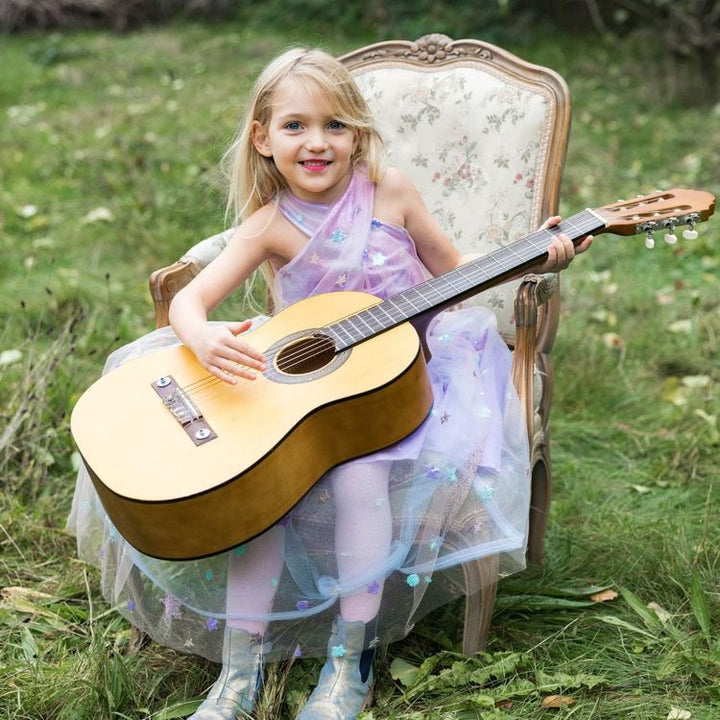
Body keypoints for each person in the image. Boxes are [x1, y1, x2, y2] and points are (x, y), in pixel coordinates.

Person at [68, 47, 591, 720]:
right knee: (257, 488)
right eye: (295, 126)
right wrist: (199, 337)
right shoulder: (269, 224)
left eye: (334, 125)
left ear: (357, 135)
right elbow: (190, 303)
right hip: (301, 394)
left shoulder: (390, 192)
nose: (316, 142)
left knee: (358, 479)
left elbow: (455, 270)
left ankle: (351, 657)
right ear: (263, 137)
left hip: (407, 384)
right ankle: (241, 666)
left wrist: (536, 256)